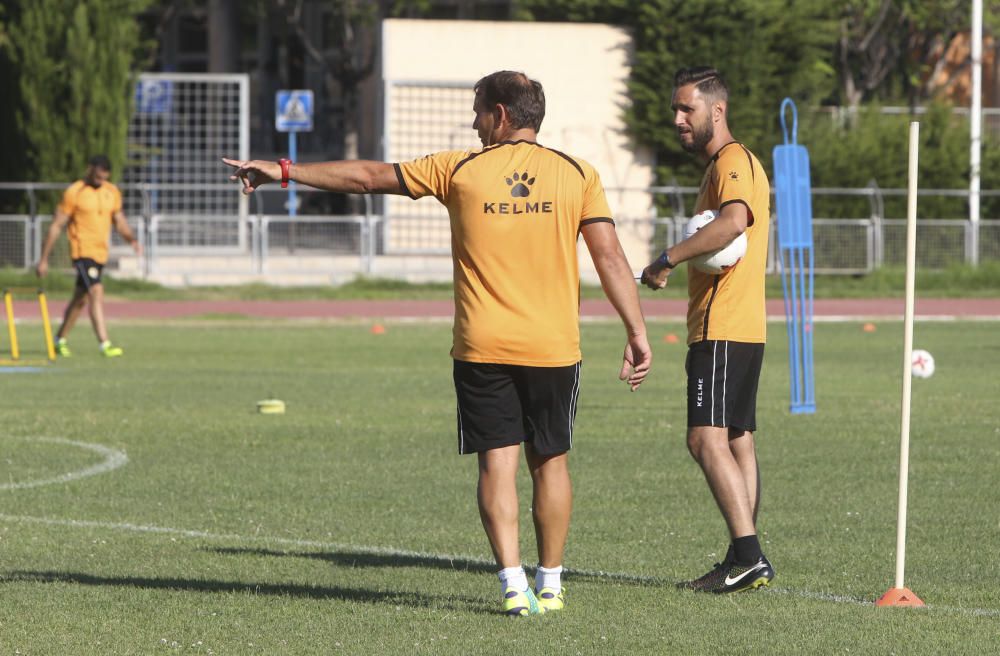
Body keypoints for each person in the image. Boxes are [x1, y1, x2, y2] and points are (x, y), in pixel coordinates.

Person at [224, 70, 652, 615]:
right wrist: (636, 331)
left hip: (482, 345)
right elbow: (609, 256)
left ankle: (514, 587)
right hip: (553, 348)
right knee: (552, 461)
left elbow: (365, 178)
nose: (474, 124)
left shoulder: (458, 168)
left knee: (497, 463)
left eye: (478, 111)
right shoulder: (577, 174)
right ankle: (551, 582)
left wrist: (285, 170)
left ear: (500, 114)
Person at [640, 67, 774, 593]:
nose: (677, 119)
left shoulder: (733, 162)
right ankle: (742, 555)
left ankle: (749, 556)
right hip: (742, 326)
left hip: (723, 325)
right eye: (676, 110)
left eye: (686, 109)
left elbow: (734, 222)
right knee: (737, 438)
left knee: (704, 439)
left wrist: (668, 257)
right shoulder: (721, 165)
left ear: (715, 111)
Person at [36, 155, 143, 358]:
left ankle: (59, 340)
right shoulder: (75, 192)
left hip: (101, 252)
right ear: (90, 170)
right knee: (96, 291)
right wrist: (43, 259)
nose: (100, 179)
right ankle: (105, 343)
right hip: (82, 252)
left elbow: (119, 221)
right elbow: (57, 226)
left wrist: (133, 241)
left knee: (80, 299)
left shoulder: (111, 192)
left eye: (104, 176)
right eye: (97, 174)